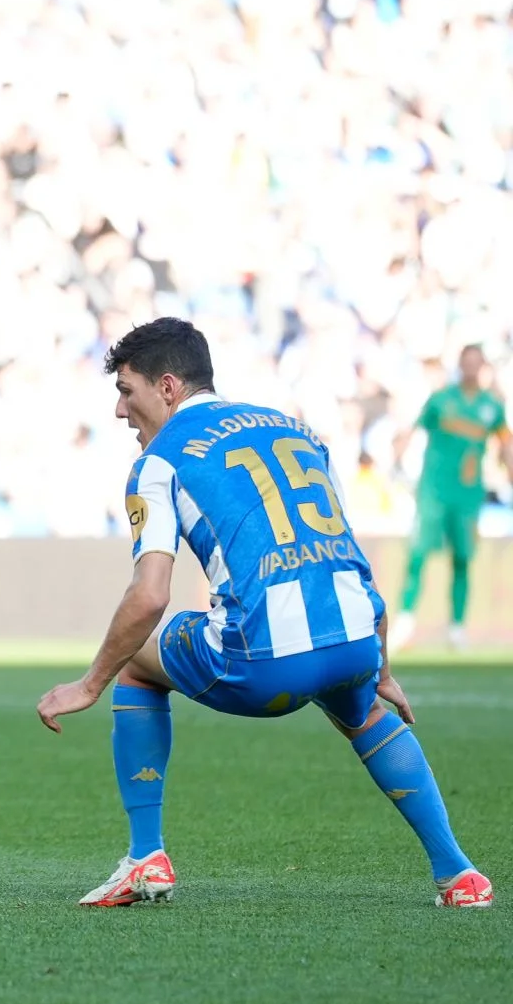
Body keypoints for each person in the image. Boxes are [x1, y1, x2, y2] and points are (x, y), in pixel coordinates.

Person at [37, 318, 491, 909]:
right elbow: (348, 563)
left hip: (264, 665)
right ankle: (459, 874)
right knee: (361, 706)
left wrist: (89, 683)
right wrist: (380, 670)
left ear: (168, 386)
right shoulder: (299, 432)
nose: (122, 411)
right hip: (354, 640)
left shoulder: (159, 461)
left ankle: (145, 857)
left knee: (136, 665)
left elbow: (150, 597)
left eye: (127, 391)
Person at [392, 345, 511, 651]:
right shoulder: (441, 400)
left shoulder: (491, 406)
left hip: (468, 495)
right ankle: (405, 619)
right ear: (460, 365)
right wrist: (397, 458)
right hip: (434, 490)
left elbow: (505, 443)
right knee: (418, 553)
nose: (470, 368)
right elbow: (412, 429)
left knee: (462, 558)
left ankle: (457, 626)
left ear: (482, 366)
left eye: (476, 363)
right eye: (466, 363)